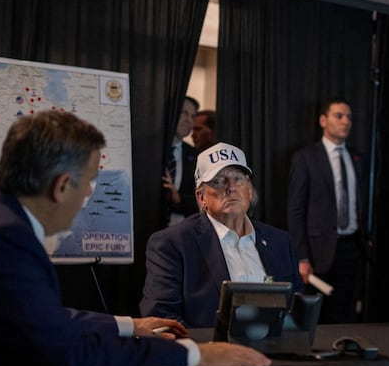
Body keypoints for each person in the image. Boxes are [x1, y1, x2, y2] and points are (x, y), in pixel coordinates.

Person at [0, 111, 271, 366]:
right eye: (89, 182)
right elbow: (69, 354)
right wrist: (195, 354)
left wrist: (127, 324)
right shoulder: (4, 239)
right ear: (61, 186)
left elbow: (41, 320)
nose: (90, 193)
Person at [140, 141, 303, 327]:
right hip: (210, 352)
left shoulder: (280, 242)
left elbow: (297, 309)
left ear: (249, 191)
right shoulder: (172, 244)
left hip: (277, 351)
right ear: (201, 198)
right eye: (218, 181)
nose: (231, 187)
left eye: (238, 179)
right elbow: (161, 316)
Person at [287, 97, 368, 324]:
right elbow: (296, 209)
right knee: (316, 315)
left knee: (346, 312)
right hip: (317, 250)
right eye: (339, 116)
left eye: (349, 117)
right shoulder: (306, 157)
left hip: (351, 247)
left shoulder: (357, 157)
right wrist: (301, 256)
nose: (346, 122)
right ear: (323, 120)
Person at [162, 95, 200, 227]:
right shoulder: (152, 150)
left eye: (192, 116)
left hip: (180, 232)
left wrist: (179, 199)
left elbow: (203, 200)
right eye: (184, 113)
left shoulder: (196, 156)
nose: (188, 120)